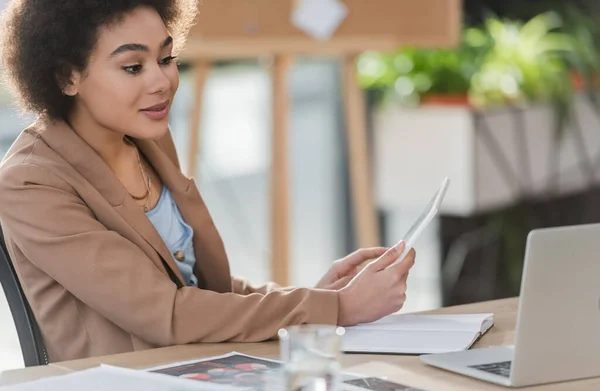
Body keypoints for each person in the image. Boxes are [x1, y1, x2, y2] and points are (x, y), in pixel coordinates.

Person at [0, 0, 416, 362]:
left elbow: (196, 287)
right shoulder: (30, 182)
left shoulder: (148, 139)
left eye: (166, 59)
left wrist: (315, 296)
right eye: (132, 67)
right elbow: (169, 313)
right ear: (66, 77)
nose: (161, 82)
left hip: (204, 365)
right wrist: (336, 307)